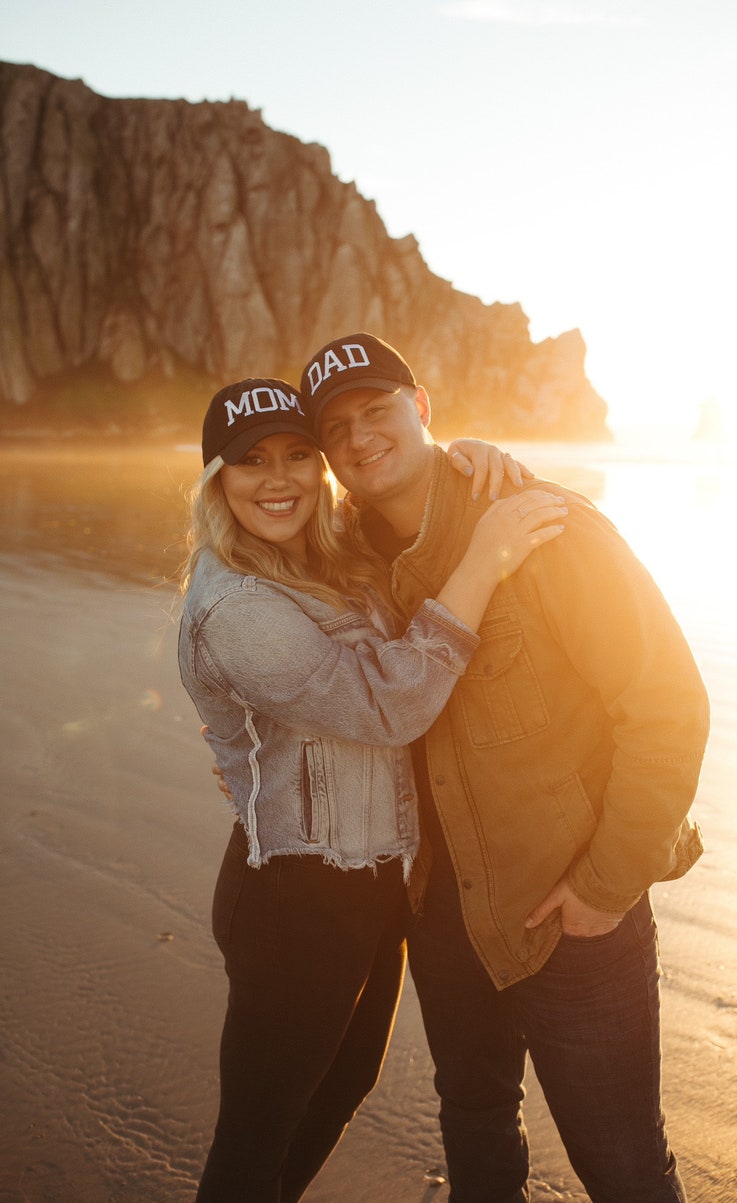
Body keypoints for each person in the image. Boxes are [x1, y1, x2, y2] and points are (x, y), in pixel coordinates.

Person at [298, 332, 711, 1203]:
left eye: (377, 410)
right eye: (336, 429)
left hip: (575, 922)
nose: (360, 437)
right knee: (478, 1139)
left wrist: (604, 886)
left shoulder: (545, 525)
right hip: (445, 925)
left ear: (423, 408)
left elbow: (668, 705)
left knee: (627, 1169)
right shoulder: (349, 565)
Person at [177, 375, 567, 1202]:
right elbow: (391, 705)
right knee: (255, 1136)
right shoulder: (236, 605)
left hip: (371, 886)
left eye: (296, 456)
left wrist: (463, 463)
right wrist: (486, 559)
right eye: (252, 462)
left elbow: (402, 507)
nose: (278, 478)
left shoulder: (327, 550)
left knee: (338, 1089)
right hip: (293, 898)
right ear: (218, 478)